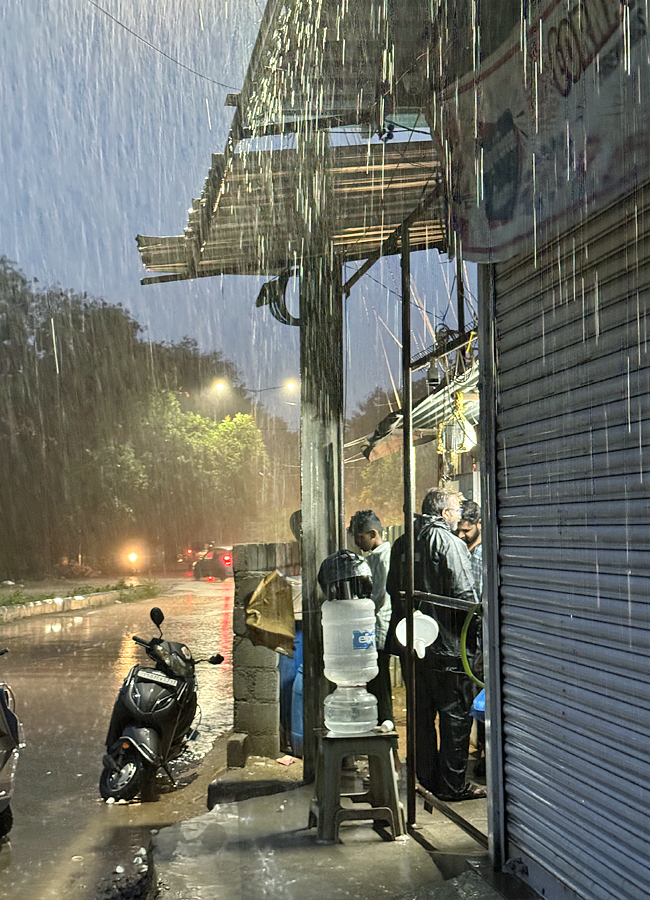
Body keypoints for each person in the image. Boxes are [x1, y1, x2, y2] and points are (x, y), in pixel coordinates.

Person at [386, 487, 486, 802]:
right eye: (456, 509)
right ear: (444, 513)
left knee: (422, 718)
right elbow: (467, 599)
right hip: (449, 649)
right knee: (455, 718)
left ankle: (426, 780)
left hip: (414, 647)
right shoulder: (449, 543)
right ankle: (454, 786)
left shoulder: (402, 543)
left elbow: (392, 588)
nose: (459, 514)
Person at [348, 510, 394, 726]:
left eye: (361, 538)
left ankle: (385, 721)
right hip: (373, 626)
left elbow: (381, 595)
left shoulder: (385, 557)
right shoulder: (374, 558)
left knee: (380, 678)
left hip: (380, 625)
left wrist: (363, 608)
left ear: (373, 533)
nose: (359, 544)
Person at [458, 498, 485, 777]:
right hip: (470, 634)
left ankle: (486, 756)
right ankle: (479, 753)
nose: (461, 535)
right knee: (475, 699)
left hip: (484, 633)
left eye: (466, 530)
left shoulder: (486, 552)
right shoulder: (461, 552)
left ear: (479, 525)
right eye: (459, 530)